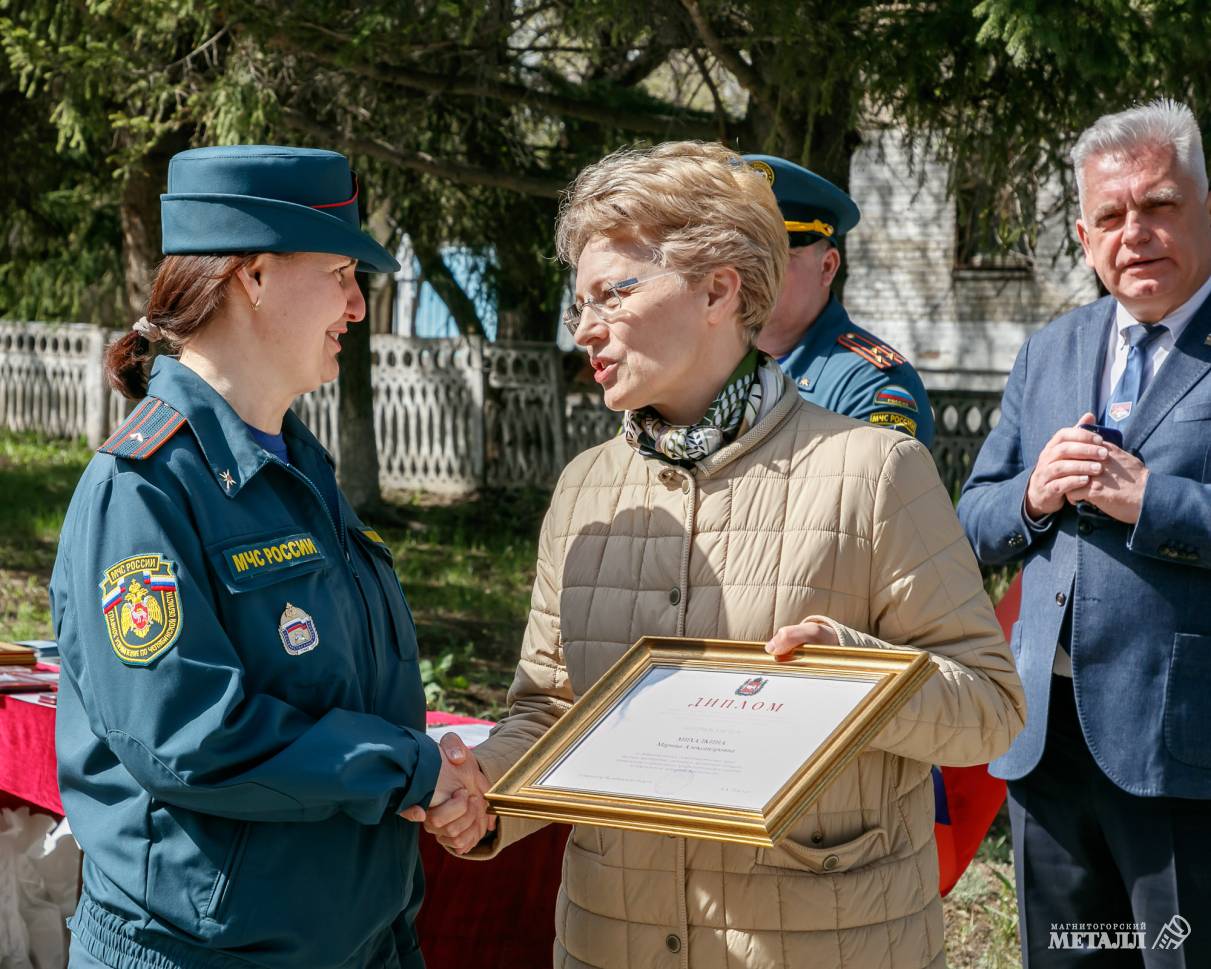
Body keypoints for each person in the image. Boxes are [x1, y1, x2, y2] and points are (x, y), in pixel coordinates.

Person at [419, 141, 1024, 969]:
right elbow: (551, 708)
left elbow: (991, 707)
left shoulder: (874, 471)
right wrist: (484, 789)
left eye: (614, 293)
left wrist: (858, 676)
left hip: (820, 944)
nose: (585, 328)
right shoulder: (583, 486)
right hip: (611, 940)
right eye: (577, 304)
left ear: (717, 289)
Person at [50, 145, 487, 969]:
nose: (358, 306)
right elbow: (190, 735)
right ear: (252, 276)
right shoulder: (142, 489)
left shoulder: (296, 464)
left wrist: (426, 783)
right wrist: (408, 771)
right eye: (341, 273)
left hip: (357, 939)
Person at [958, 99, 1211, 967]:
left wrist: (1153, 501)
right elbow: (971, 516)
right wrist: (1031, 494)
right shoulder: (1049, 349)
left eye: (1158, 206)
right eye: (1109, 215)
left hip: (1183, 741)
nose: (1133, 232)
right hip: (1046, 741)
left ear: (1204, 207)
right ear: (1081, 230)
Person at [743, 153, 935, 446]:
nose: (752, 270)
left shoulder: (873, 383)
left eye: (778, 255)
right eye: (741, 253)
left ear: (828, 267)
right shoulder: (706, 364)